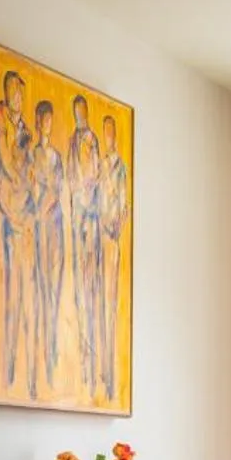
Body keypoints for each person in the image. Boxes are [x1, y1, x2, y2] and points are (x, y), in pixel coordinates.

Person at [0, 70, 33, 394]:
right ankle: (7, 370)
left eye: (17, 93)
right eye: (9, 91)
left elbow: (29, 172)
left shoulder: (26, 130)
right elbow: (5, 159)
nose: (13, 97)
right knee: (11, 292)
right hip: (9, 211)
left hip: (27, 215)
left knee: (27, 293)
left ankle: (21, 375)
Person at [29, 100, 68, 389]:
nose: (47, 124)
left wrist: (47, 204)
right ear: (38, 120)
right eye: (43, 119)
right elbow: (33, 188)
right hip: (39, 228)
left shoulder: (56, 157)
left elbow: (56, 190)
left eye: (50, 120)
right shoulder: (33, 156)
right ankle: (43, 353)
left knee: (54, 291)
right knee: (41, 291)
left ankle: (52, 349)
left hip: (54, 228)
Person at [66, 95, 103, 393]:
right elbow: (70, 177)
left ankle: (93, 371)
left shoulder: (92, 141)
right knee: (79, 292)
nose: (79, 116)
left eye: (82, 112)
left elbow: (95, 180)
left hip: (90, 220)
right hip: (77, 219)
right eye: (76, 112)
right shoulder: (71, 142)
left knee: (92, 294)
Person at [98, 114, 128, 401]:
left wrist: (115, 225)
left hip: (112, 241)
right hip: (96, 241)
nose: (108, 138)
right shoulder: (98, 167)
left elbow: (124, 207)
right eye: (104, 132)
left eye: (110, 133)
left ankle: (107, 373)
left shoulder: (120, 169)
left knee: (110, 303)